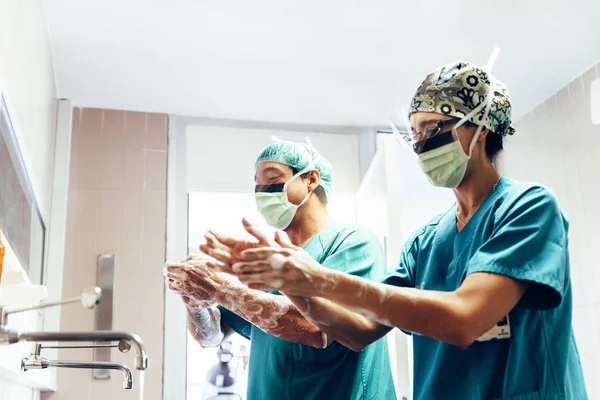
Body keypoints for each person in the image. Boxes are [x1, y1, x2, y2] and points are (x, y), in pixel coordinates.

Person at [217, 60, 589, 399]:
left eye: (433, 128)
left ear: (481, 126)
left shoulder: (529, 207)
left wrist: (318, 279)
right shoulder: (425, 242)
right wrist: (293, 284)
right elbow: (358, 331)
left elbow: (465, 319)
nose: (421, 144)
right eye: (415, 133)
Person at [165, 140, 396, 400]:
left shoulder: (353, 243)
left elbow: (316, 328)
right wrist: (196, 300)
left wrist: (221, 290)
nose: (262, 191)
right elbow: (211, 336)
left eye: (273, 179)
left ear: (311, 179)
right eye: (258, 184)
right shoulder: (268, 260)